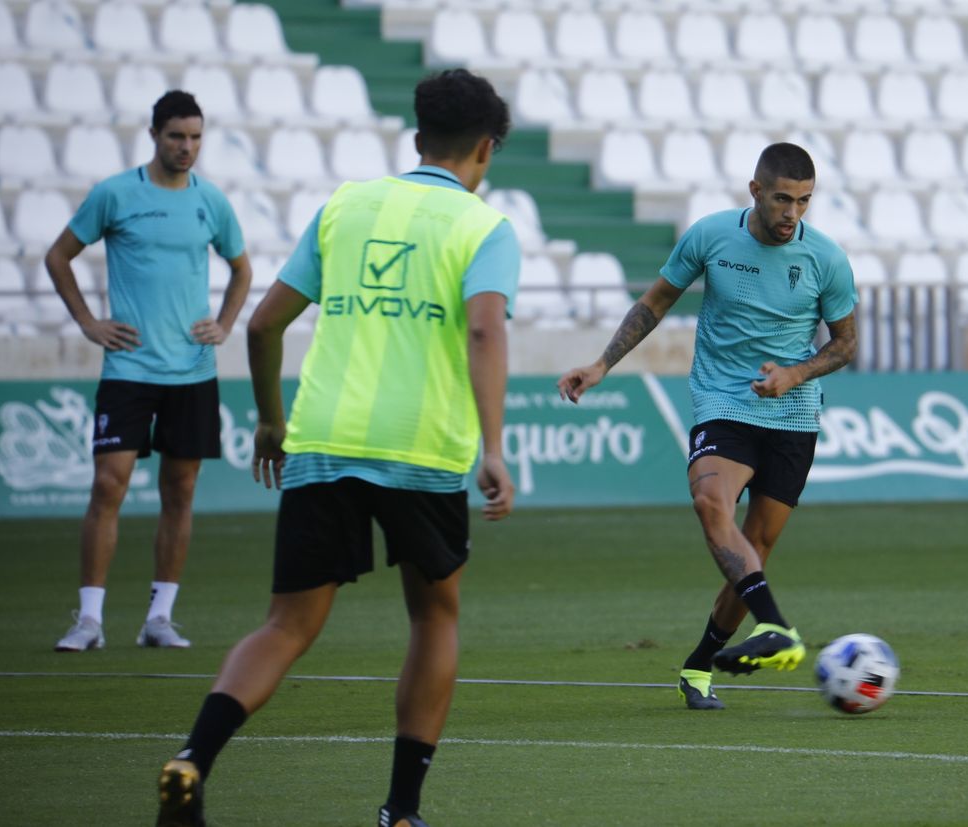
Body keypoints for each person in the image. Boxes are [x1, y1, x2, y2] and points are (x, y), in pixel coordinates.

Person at [154, 69, 519, 827]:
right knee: (434, 615)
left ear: (417, 140)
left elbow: (260, 326)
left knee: (285, 623)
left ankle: (193, 755)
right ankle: (402, 811)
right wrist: (495, 445)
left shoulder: (345, 205)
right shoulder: (483, 227)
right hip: (421, 449)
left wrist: (269, 421)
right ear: (487, 149)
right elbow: (485, 330)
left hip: (323, 438)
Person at [557, 142, 858, 710]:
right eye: (782, 199)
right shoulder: (711, 236)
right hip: (724, 401)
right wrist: (601, 364)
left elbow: (846, 345)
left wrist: (794, 374)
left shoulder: (827, 259)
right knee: (710, 505)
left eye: (803, 201)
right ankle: (778, 629)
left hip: (792, 415)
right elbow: (656, 301)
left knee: (755, 551)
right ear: (755, 192)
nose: (792, 212)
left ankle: (699, 665)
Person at [45, 90, 251, 652]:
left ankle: (159, 618)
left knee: (179, 491)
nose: (187, 148)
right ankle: (89, 619)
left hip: (192, 370)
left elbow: (241, 269)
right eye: (176, 137)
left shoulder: (211, 201)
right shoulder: (114, 193)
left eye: (196, 137)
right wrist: (89, 322)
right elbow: (58, 255)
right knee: (107, 484)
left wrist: (225, 324)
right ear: (154, 135)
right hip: (130, 367)